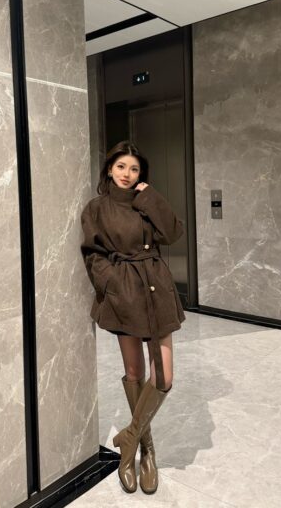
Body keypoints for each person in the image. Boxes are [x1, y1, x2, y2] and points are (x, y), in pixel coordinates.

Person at [80, 140, 186, 494]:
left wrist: (150, 197)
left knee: (163, 377)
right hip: (124, 293)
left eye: (134, 168)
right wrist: (113, 283)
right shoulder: (97, 208)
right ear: (110, 169)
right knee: (135, 372)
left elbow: (172, 233)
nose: (127, 174)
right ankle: (146, 451)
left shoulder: (146, 201)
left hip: (156, 289)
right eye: (121, 166)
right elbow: (92, 254)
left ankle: (129, 437)